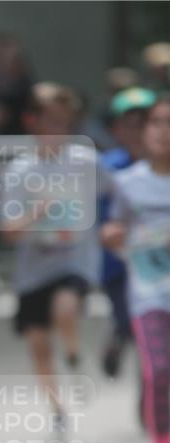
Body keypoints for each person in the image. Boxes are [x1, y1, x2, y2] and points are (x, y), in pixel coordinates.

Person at [1, 83, 101, 429]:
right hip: (33, 268)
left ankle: (73, 353)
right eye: (51, 122)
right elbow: (9, 231)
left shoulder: (86, 162)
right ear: (32, 122)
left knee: (66, 305)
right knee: (39, 346)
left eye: (65, 122)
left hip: (73, 261)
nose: (58, 131)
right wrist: (37, 212)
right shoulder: (19, 171)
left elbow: (121, 192)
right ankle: (58, 408)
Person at [101, 95, 170, 443]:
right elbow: (113, 228)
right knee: (159, 374)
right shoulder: (129, 182)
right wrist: (112, 236)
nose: (163, 131)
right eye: (157, 123)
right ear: (145, 133)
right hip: (150, 296)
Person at [99, 87, 156, 378]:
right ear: (116, 129)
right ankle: (119, 337)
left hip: (157, 263)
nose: (135, 131)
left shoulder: (162, 166)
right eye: (127, 124)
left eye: (142, 123)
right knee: (131, 323)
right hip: (117, 264)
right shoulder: (106, 167)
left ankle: (149, 390)